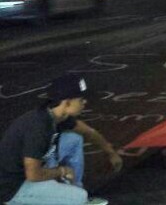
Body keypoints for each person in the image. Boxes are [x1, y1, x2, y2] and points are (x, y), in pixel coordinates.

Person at [0, 75, 122, 204]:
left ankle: (69, 191)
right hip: (12, 187)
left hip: (28, 169)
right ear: (67, 102)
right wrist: (62, 171)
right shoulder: (38, 128)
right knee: (79, 197)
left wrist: (111, 153)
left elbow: (89, 133)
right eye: (81, 99)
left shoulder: (57, 115)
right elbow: (33, 175)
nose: (84, 102)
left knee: (74, 140)